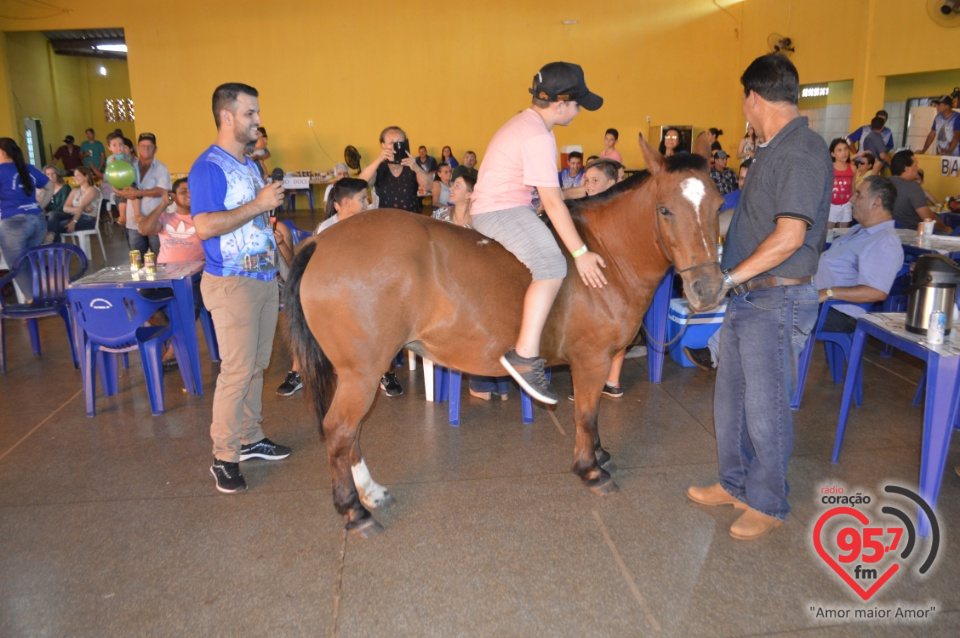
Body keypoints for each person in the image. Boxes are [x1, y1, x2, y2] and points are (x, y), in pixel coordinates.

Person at [687, 54, 831, 541]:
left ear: (753, 97)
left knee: (764, 410)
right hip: (749, 297)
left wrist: (727, 281)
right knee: (731, 404)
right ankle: (736, 485)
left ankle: (768, 502)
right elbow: (747, 225)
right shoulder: (773, 149)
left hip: (777, 298)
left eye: (743, 99)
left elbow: (790, 237)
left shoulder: (801, 151)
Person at [470, 61, 606, 404]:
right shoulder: (538, 135)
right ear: (560, 104)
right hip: (501, 210)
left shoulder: (530, 125)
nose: (578, 111)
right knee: (551, 263)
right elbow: (553, 202)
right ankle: (525, 355)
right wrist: (581, 254)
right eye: (577, 104)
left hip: (508, 206)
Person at [686, 175, 904, 370]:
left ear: (877, 201)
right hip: (812, 296)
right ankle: (720, 354)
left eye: (859, 194)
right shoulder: (859, 231)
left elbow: (876, 292)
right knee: (753, 290)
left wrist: (827, 293)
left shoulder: (884, 242)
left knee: (762, 307)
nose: (852, 199)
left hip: (838, 312)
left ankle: (737, 364)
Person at [189, 82, 291, 494]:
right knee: (235, 371)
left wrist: (281, 264)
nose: (258, 120)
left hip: (263, 279)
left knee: (256, 366)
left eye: (257, 112)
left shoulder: (249, 164)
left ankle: (250, 437)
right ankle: (224, 456)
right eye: (251, 113)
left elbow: (256, 223)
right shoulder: (208, 167)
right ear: (227, 116)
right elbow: (205, 225)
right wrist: (259, 205)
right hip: (232, 282)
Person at [276, 178, 390, 397]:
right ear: (343, 204)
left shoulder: (371, 222)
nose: (366, 202)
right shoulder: (327, 228)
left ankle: (385, 371)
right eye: (361, 199)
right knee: (306, 313)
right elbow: (314, 262)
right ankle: (297, 371)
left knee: (384, 312)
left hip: (364, 286)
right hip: (333, 287)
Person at [138, 177, 205, 368]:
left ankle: (172, 353)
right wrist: (162, 205)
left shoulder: (203, 219)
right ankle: (175, 335)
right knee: (143, 303)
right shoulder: (166, 218)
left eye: (192, 190)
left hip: (194, 277)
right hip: (164, 277)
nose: (189, 194)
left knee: (190, 305)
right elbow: (143, 229)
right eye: (183, 191)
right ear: (173, 196)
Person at [0, 138, 48, 296]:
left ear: (2, 152)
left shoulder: (1, 170)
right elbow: (50, 186)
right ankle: (39, 295)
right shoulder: (27, 168)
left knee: (17, 266)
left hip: (15, 223)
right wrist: (41, 206)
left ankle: (32, 302)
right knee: (29, 262)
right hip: (38, 221)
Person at [118, 133, 170, 256]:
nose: (146, 149)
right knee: (136, 260)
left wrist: (138, 192)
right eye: (143, 146)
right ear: (137, 148)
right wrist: (125, 192)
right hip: (133, 222)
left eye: (150, 146)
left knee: (159, 259)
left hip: (155, 221)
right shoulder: (129, 167)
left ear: (155, 149)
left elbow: (162, 191)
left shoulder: (161, 168)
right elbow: (120, 186)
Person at [359, 127, 432, 213]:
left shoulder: (412, 164)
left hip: (411, 219)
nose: (395, 146)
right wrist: (379, 159)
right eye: (391, 143)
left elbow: (428, 187)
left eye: (399, 142)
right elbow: (361, 183)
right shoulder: (379, 166)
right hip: (386, 220)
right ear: (383, 145)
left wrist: (417, 168)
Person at [890, 150, 949, 233]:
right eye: (916, 165)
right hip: (914, 235)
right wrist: (946, 229)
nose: (918, 169)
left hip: (890, 233)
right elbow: (928, 218)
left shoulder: (883, 183)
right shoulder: (912, 187)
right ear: (907, 169)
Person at [47, 166, 99, 243]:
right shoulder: (74, 191)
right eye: (74, 175)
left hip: (88, 219)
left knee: (55, 226)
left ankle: (55, 248)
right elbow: (65, 208)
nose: (75, 178)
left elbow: (81, 206)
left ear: (86, 176)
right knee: (52, 215)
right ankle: (55, 246)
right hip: (73, 216)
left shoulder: (92, 190)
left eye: (77, 175)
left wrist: (73, 222)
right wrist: (82, 208)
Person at [827, 138, 855, 229]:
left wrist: (854, 199)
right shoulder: (829, 168)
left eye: (846, 149)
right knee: (829, 232)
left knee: (843, 232)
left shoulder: (853, 168)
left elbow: (853, 187)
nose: (844, 153)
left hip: (846, 204)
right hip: (831, 205)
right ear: (832, 154)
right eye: (839, 150)